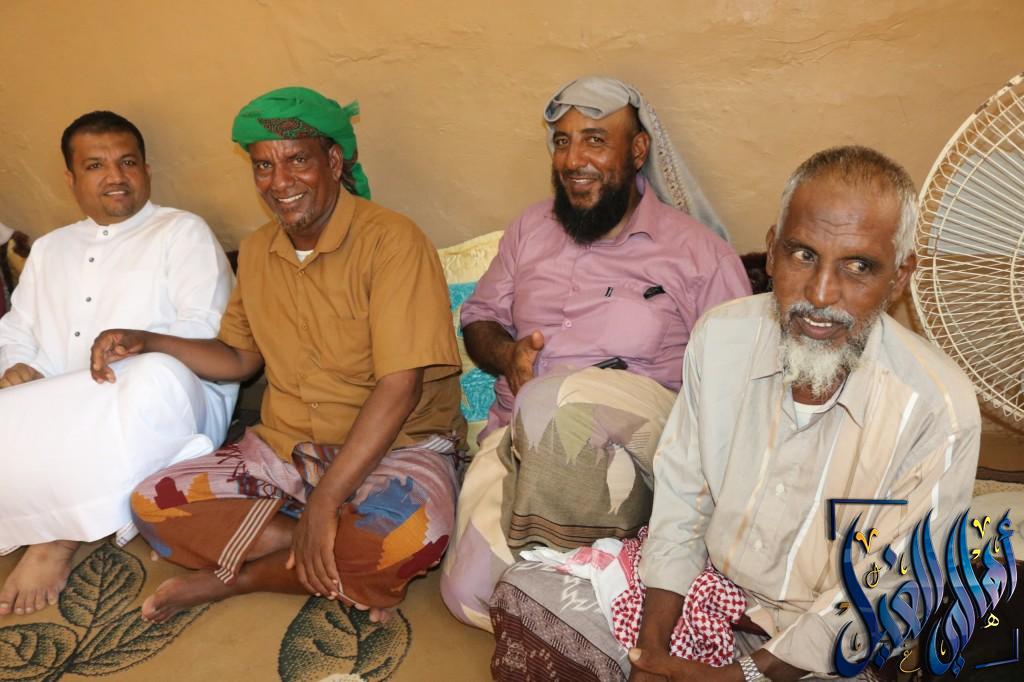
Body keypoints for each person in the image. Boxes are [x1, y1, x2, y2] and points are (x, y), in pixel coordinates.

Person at [488, 146, 981, 681]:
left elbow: (885, 590)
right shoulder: (722, 338)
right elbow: (683, 501)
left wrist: (739, 677)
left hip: (830, 639)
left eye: (858, 267)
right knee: (527, 594)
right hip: (714, 592)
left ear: (899, 277)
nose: (821, 294)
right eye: (803, 255)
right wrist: (651, 652)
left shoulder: (938, 410)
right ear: (772, 252)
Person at [90, 87, 464, 623]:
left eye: (297, 161)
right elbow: (238, 359)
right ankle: (342, 559)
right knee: (154, 504)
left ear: (334, 162)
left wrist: (325, 501)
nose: (279, 182)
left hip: (395, 447)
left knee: (409, 537)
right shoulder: (259, 251)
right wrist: (149, 340)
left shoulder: (393, 242)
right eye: (263, 166)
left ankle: (241, 578)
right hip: (285, 448)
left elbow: (400, 388)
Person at [441, 75, 751, 630]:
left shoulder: (698, 253)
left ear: (638, 150)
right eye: (562, 142)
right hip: (518, 438)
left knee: (553, 403)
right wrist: (508, 355)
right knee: (468, 597)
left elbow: (741, 375)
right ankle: (592, 588)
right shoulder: (529, 229)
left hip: (639, 442)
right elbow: (479, 317)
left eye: (595, 140)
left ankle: (583, 576)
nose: (573, 159)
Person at [0, 111, 237, 616]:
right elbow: (16, 330)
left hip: (151, 404)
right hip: (58, 401)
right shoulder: (50, 249)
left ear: (146, 170)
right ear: (71, 179)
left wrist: (142, 344)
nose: (115, 176)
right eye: (95, 165)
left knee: (153, 376)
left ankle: (57, 536)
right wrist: (16, 366)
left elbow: (209, 329)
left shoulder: (182, 232)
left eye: (127, 162)